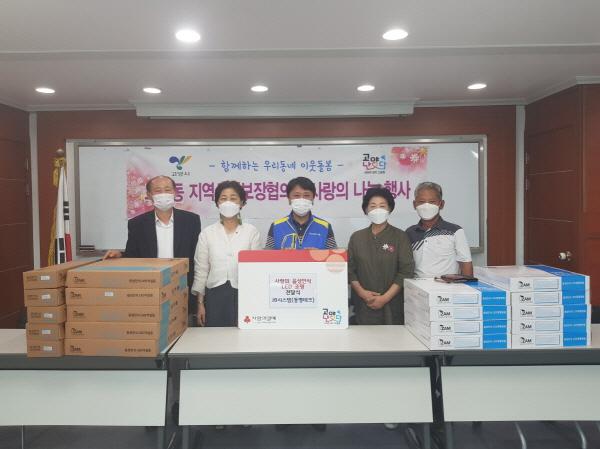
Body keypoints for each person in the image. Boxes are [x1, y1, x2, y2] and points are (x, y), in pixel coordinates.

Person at [105, 175, 201, 323]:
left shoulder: (191, 220)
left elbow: (197, 256)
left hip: (182, 287)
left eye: (167, 189)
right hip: (151, 289)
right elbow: (133, 256)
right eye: (158, 190)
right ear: (149, 195)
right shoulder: (137, 224)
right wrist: (120, 255)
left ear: (175, 192)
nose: (163, 194)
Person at [191, 180, 261, 327]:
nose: (228, 202)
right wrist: (200, 304)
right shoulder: (207, 233)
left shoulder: (251, 232)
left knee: (242, 336)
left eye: (233, 198)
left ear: (242, 203)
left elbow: (257, 269)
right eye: (223, 198)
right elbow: (201, 270)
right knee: (216, 337)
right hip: (214, 295)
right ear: (217, 203)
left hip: (244, 294)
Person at [348, 186, 415, 326]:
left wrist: (384, 298)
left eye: (382, 206)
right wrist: (362, 293)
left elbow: (406, 271)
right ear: (366, 209)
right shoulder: (357, 237)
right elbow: (350, 270)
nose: (377, 210)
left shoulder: (400, 236)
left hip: (392, 305)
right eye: (373, 206)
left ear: (389, 208)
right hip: (363, 305)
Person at [405, 181, 473, 278]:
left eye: (432, 202)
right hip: (416, 286)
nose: (426, 206)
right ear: (414, 204)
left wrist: (468, 286)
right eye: (421, 202)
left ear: (441, 204)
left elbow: (466, 264)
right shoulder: (409, 232)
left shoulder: (455, 231)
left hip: (447, 285)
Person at [265, 176, 336, 250]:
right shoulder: (276, 226)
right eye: (296, 195)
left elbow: (334, 256)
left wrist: (319, 254)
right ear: (289, 199)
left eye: (306, 195)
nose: (301, 199)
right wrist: (283, 255)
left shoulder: (325, 227)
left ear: (313, 199)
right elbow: (267, 255)